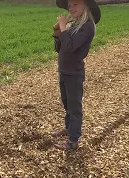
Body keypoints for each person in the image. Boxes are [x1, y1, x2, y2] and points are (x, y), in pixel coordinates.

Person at [51, 0, 101, 150]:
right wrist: (58, 33)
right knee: (67, 103)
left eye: (76, 4)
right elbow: (60, 49)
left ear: (85, 6)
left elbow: (71, 47)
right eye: (70, 5)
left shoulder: (87, 27)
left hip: (74, 73)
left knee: (74, 108)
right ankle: (68, 128)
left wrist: (63, 29)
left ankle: (73, 140)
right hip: (64, 70)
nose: (71, 8)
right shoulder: (72, 24)